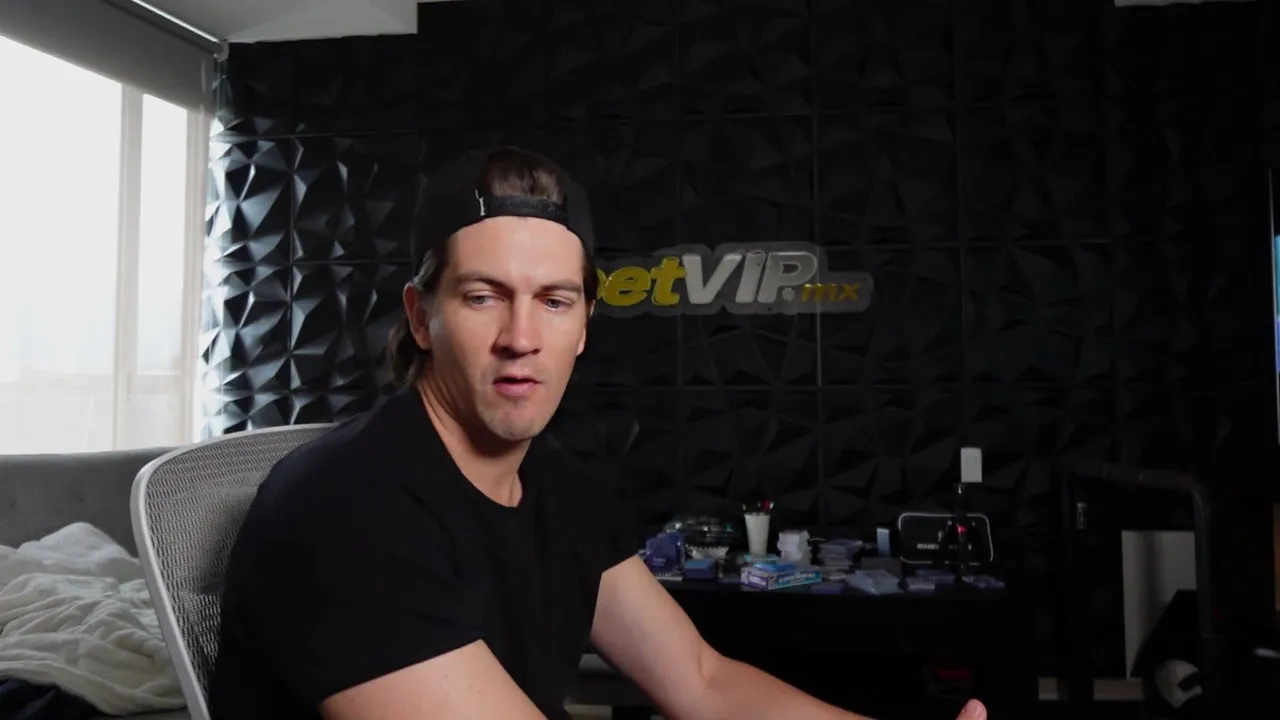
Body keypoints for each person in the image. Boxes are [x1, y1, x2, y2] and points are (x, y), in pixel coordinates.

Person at [207, 146, 988, 720]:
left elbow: (703, 681)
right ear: (421, 317)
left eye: (553, 301)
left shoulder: (557, 488)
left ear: (584, 325)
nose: (522, 338)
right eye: (483, 297)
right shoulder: (344, 510)